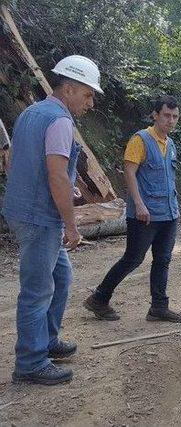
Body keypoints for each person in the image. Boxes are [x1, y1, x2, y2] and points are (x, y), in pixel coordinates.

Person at [2, 55, 103, 385]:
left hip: (24, 211)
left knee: (61, 277)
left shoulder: (32, 112)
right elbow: (56, 176)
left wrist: (62, 180)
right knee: (37, 290)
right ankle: (30, 362)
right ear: (70, 88)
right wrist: (71, 225)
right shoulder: (60, 120)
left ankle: (46, 341)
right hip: (39, 219)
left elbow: (19, 161)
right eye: (88, 95)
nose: (90, 103)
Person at [83, 95, 181, 322]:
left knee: (163, 259)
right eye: (166, 115)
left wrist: (175, 208)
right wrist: (138, 204)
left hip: (168, 213)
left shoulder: (171, 144)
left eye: (175, 116)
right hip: (144, 214)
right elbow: (129, 173)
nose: (171, 120)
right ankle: (99, 298)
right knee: (133, 258)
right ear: (155, 115)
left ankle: (159, 307)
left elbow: (169, 179)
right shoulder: (140, 140)